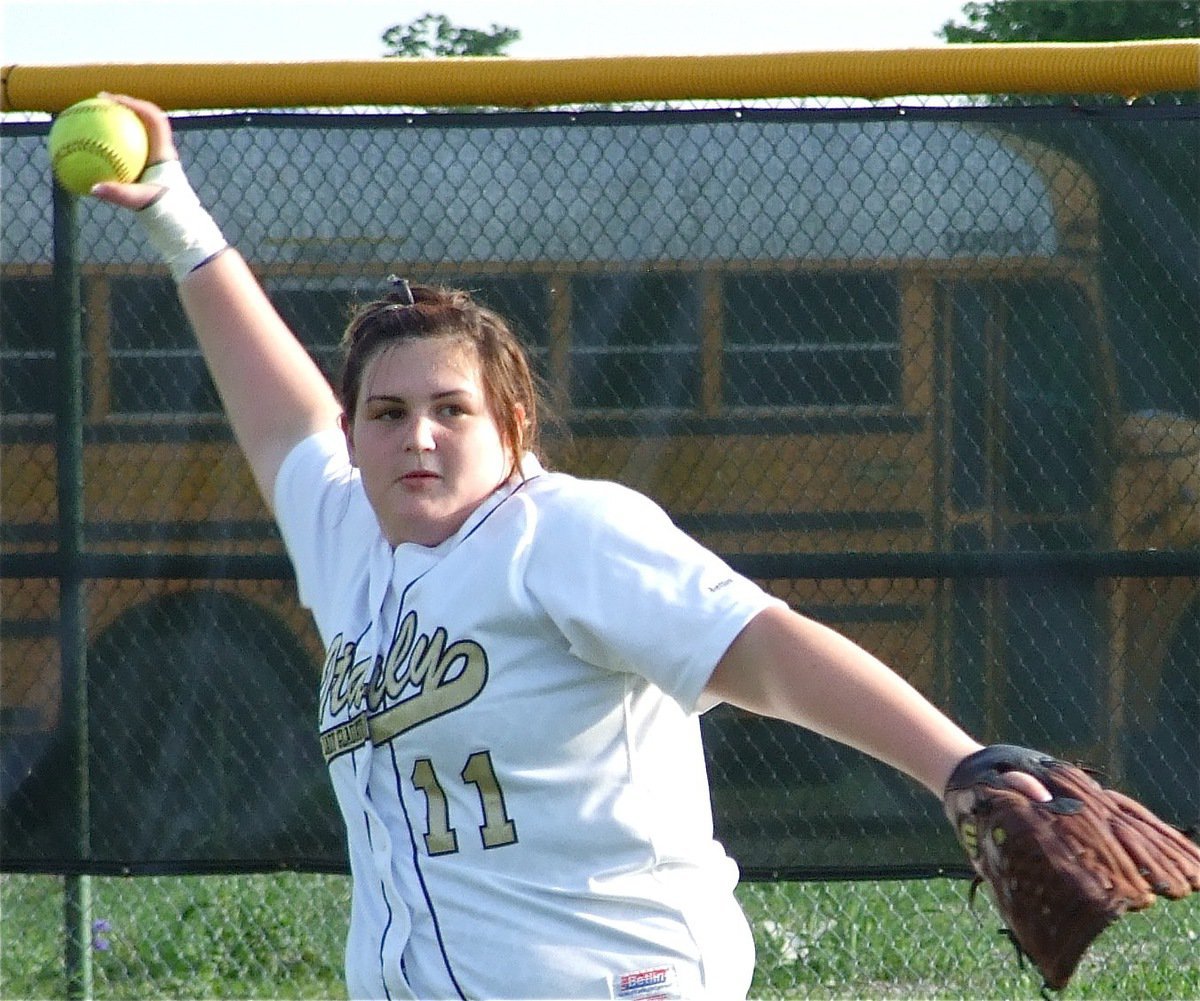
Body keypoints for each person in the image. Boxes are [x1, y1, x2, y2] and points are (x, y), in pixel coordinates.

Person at [92, 94, 1048, 1001]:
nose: (417, 435)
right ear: (356, 434)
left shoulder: (564, 531)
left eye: (449, 409)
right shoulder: (351, 534)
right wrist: (176, 213)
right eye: (387, 413)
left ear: (510, 423)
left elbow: (764, 646)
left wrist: (954, 766)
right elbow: (279, 416)